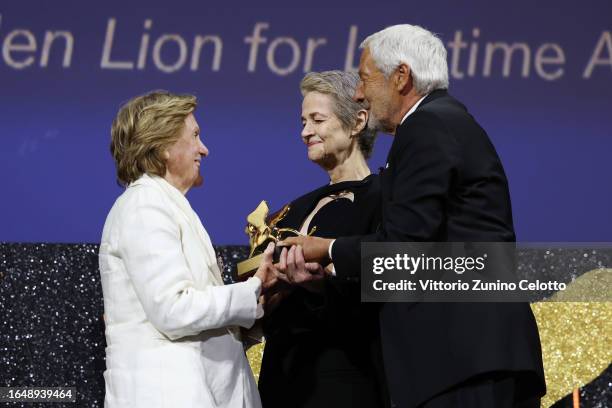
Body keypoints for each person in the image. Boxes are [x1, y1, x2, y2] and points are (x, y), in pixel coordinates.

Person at [280, 25, 546, 407]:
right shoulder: (445, 121)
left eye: (366, 79)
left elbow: (407, 246)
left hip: (463, 360)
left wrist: (327, 249)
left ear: (401, 77)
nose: (359, 93)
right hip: (472, 359)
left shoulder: (427, 126)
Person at [99, 90, 273, 408]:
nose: (203, 149)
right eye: (194, 135)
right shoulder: (144, 205)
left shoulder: (167, 204)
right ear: (164, 147)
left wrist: (257, 307)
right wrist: (253, 292)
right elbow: (173, 309)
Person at [258, 71, 389, 408]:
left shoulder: (386, 200)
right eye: (303, 121)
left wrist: (319, 287)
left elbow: (384, 291)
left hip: (346, 380)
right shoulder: (290, 210)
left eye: (317, 119)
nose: (305, 132)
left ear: (358, 121)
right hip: (280, 381)